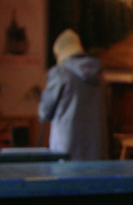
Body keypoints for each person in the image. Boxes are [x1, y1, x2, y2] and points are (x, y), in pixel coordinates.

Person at [39, 29, 108, 160]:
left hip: (65, 151)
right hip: (96, 150)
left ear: (60, 53)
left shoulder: (60, 73)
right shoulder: (98, 74)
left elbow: (45, 112)